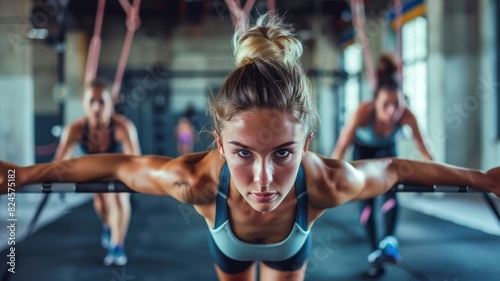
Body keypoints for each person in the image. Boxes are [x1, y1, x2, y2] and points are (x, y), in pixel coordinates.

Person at [1, 15, 499, 281]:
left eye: (282, 153)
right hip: (228, 245)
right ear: (218, 143)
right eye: (242, 154)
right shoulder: (196, 180)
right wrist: (21, 174)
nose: (263, 180)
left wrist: (485, 179)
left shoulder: (325, 181)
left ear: (307, 142)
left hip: (291, 248)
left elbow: (393, 168)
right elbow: (119, 165)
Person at [331, 54, 433, 276]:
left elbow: (426, 152)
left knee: (390, 193)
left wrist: (439, 176)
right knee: (366, 200)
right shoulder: (362, 112)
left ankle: (389, 243)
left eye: (396, 104)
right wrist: (329, 178)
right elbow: (340, 149)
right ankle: (374, 251)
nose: (391, 111)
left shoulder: (406, 115)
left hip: (387, 154)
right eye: (385, 105)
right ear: (375, 103)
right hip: (363, 153)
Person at [52, 78, 141, 266]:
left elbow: (137, 161)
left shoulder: (123, 127)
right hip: (94, 168)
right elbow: (58, 164)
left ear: (110, 104)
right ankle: (108, 225)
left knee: (118, 198)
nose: (96, 107)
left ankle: (117, 246)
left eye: (102, 102)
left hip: (119, 169)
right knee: (101, 204)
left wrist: (134, 181)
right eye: (91, 101)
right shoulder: (75, 129)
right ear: (84, 104)